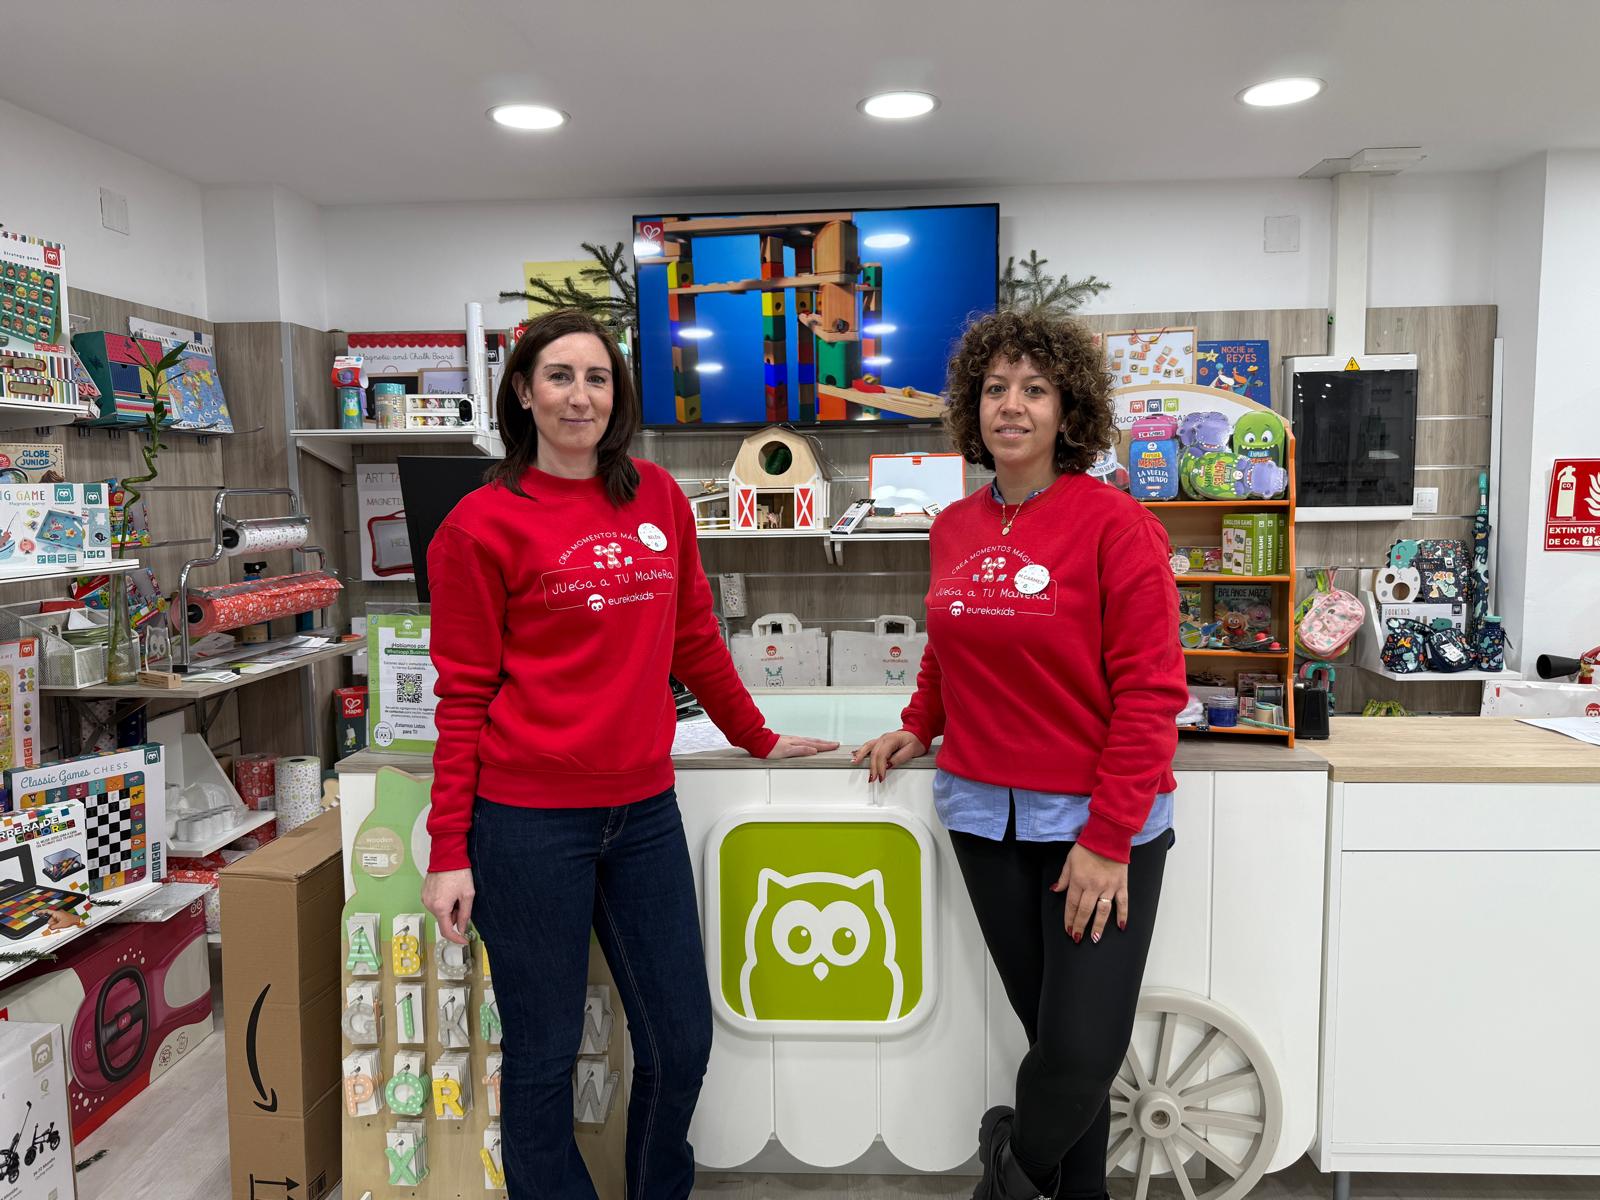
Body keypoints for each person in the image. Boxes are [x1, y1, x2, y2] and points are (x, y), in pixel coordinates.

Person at [420, 308, 836, 1199]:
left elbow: (695, 637)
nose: (581, 395)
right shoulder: (479, 526)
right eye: (560, 377)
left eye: (598, 378)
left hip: (642, 814)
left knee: (682, 1039)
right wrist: (448, 849)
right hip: (527, 827)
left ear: (619, 395)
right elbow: (461, 700)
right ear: (523, 393)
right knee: (540, 1055)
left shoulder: (655, 497)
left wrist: (754, 735)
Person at [853, 309, 1187, 1200]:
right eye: (996, 389)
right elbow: (948, 644)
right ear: (973, 407)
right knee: (1049, 1041)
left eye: (1034, 390)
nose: (1013, 406)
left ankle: (1003, 1172)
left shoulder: (1117, 526)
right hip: (984, 816)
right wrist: (918, 723)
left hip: (1097, 826)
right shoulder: (955, 525)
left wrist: (1111, 837)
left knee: (1081, 1052)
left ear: (1066, 409)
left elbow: (1153, 691)